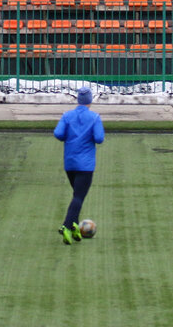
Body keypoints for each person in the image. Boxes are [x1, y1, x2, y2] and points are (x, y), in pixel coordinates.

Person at [53, 85, 104, 245]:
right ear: (90, 101)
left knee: (77, 194)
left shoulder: (67, 116)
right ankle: (67, 225)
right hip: (86, 165)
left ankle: (75, 227)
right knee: (79, 196)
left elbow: (58, 133)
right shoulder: (94, 117)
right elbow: (99, 138)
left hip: (70, 163)